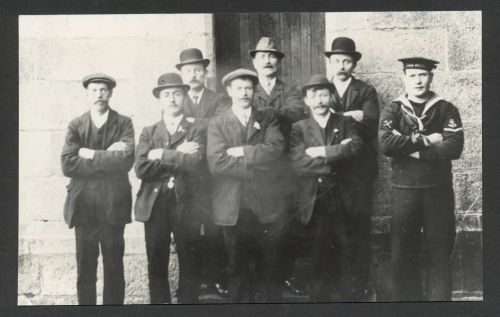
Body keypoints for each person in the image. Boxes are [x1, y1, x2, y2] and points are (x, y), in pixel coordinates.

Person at [378, 57, 464, 301]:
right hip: (404, 190)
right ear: (404, 78)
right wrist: (428, 140)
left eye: (423, 75)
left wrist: (410, 149)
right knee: (403, 253)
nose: (418, 80)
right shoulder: (393, 109)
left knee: (439, 251)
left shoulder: (446, 108)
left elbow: (453, 147)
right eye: (412, 75)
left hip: (438, 190)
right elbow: (386, 144)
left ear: (431, 77)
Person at [207, 68, 286, 302]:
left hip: (266, 203)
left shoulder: (267, 118)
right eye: (239, 88)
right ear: (229, 91)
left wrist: (241, 151)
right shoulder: (218, 123)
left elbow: (276, 151)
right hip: (233, 205)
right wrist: (255, 167)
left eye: (248, 88)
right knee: (237, 267)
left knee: (269, 267)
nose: (244, 93)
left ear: (254, 91)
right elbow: (217, 163)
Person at [61, 73, 135, 305]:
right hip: (83, 207)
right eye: (94, 90)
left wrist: (90, 154)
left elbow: (125, 160)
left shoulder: (123, 123)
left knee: (114, 267)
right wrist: (107, 157)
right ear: (87, 94)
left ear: (110, 93)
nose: (99, 94)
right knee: (85, 268)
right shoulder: (76, 125)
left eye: (103, 90)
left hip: (114, 206)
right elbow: (67, 163)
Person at [289, 74, 363, 301]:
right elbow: (298, 163)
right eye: (313, 95)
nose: (319, 100)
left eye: (323, 94)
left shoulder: (346, 122)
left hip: (343, 196)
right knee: (318, 252)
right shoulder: (299, 128)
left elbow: (355, 150)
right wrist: (336, 155)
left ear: (331, 96)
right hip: (314, 197)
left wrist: (320, 152)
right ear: (306, 100)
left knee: (346, 249)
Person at [134, 73, 205, 303]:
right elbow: (141, 168)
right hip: (155, 204)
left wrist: (161, 154)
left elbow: (196, 163)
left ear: (184, 96)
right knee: (156, 259)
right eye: (166, 94)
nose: (172, 98)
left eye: (177, 93)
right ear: (159, 99)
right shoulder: (149, 131)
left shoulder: (197, 128)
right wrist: (178, 155)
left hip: (187, 201)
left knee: (190, 258)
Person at [250, 36, 308, 296]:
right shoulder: (246, 88)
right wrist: (276, 114)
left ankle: (284, 275)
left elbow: (296, 112)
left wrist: (263, 115)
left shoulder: (291, 89)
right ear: (254, 61)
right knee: (253, 221)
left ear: (279, 62)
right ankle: (257, 277)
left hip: (284, 167)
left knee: (285, 223)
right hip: (256, 167)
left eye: (272, 56)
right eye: (262, 56)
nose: (268, 60)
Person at [324, 36, 380, 300]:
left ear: (354, 63)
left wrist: (339, 118)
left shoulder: (366, 91)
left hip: (359, 170)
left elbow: (369, 125)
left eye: (347, 60)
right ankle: (334, 284)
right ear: (330, 62)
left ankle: (359, 283)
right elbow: (316, 123)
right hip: (331, 168)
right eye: (337, 60)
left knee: (359, 226)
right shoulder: (322, 89)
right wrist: (351, 115)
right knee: (331, 226)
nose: (342, 65)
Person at [176, 48, 229, 296]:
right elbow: (172, 130)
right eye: (188, 70)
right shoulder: (177, 99)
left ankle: (217, 277)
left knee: (214, 226)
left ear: (205, 72)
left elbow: (221, 124)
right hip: (186, 174)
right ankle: (194, 279)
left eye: (198, 69)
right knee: (189, 227)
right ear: (182, 73)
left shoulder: (218, 99)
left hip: (212, 173)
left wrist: (189, 122)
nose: (193, 75)